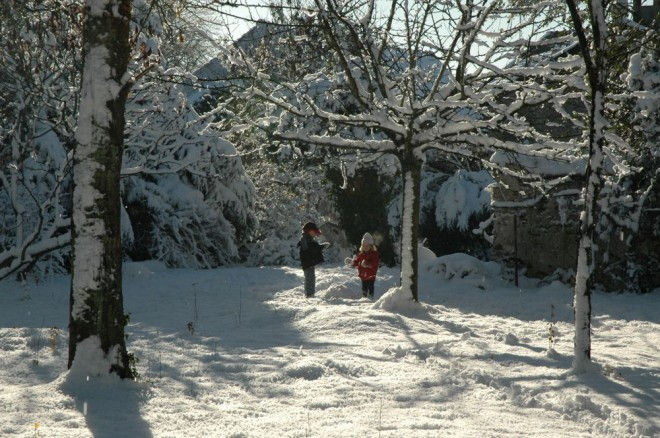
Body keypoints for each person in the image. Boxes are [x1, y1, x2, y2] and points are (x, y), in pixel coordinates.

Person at [298, 222, 328, 297]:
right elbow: (309, 249)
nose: (315, 234)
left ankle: (310, 294)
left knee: (311, 278)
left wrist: (321, 247)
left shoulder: (308, 238)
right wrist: (320, 247)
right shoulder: (305, 239)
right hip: (307, 263)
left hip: (309, 263)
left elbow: (313, 248)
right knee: (310, 279)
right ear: (309, 231)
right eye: (314, 232)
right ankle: (309, 294)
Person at [349, 232, 379, 298]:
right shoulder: (361, 254)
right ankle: (364, 296)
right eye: (363, 245)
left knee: (370, 286)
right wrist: (352, 262)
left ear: (371, 246)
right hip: (363, 274)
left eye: (367, 246)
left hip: (371, 274)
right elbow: (357, 261)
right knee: (364, 287)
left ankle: (371, 296)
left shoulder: (374, 254)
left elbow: (375, 263)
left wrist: (367, 264)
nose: (365, 247)